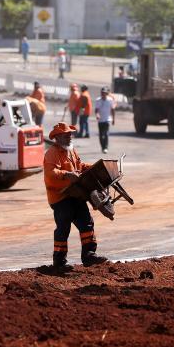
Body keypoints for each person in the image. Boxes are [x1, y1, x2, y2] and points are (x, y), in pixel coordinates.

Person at [44, 122, 108, 270]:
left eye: (70, 134)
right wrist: (66, 174)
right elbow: (50, 173)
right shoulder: (51, 154)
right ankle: (59, 262)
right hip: (60, 197)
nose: (70, 136)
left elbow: (80, 165)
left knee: (86, 222)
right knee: (63, 228)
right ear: (58, 137)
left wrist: (93, 168)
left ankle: (89, 255)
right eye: (67, 134)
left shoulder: (71, 150)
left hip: (75, 194)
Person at [95, 87, 116, 154]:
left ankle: (106, 147)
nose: (103, 94)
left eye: (104, 93)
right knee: (101, 135)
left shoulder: (110, 100)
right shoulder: (98, 100)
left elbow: (112, 110)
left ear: (106, 93)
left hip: (107, 119)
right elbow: (96, 110)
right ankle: (103, 147)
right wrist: (97, 115)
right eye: (102, 93)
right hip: (100, 120)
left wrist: (113, 119)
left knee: (106, 134)